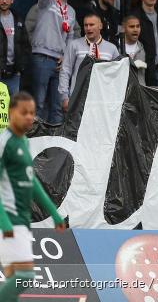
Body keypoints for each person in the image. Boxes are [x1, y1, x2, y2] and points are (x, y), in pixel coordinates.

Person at [0, 92, 67, 301]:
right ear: (11, 113)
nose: (29, 117)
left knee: (17, 278)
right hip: (8, 220)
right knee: (25, 277)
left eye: (32, 113)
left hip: (20, 219)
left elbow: (32, 183)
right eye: (24, 112)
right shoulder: (5, 144)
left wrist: (54, 213)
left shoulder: (23, 143)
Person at [58, 11, 119, 109]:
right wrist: (64, 97)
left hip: (103, 100)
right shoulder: (74, 45)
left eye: (91, 25)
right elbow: (65, 71)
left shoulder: (112, 49)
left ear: (100, 26)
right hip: (78, 98)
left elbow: (117, 76)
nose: (88, 28)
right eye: (86, 25)